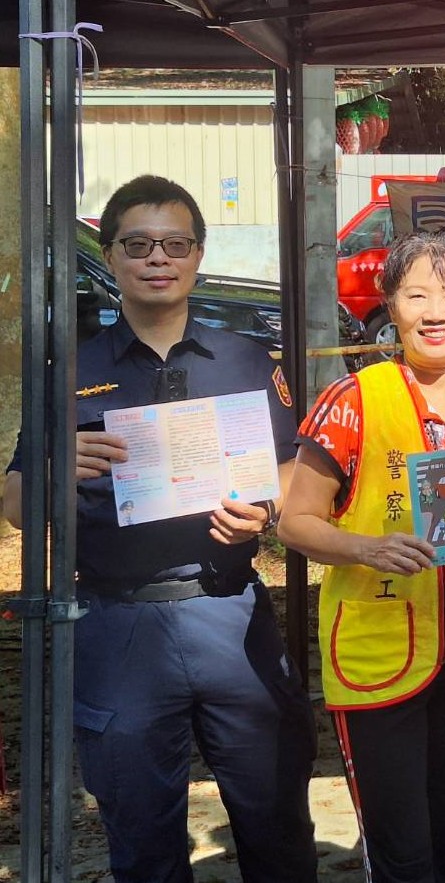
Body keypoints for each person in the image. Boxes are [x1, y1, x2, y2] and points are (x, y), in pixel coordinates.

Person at [3, 175, 317, 883]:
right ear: (110, 255)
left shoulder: (245, 361)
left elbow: (291, 467)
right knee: (142, 839)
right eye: (137, 244)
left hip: (230, 613)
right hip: (118, 621)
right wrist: (56, 470)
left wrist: (266, 511)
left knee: (277, 824)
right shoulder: (69, 369)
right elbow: (17, 502)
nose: (157, 259)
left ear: (198, 255)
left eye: (175, 244)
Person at [277, 227, 445, 883]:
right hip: (379, 653)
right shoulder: (353, 399)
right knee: (403, 856)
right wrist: (366, 547)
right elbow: (295, 521)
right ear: (390, 304)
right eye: (417, 294)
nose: (435, 313)